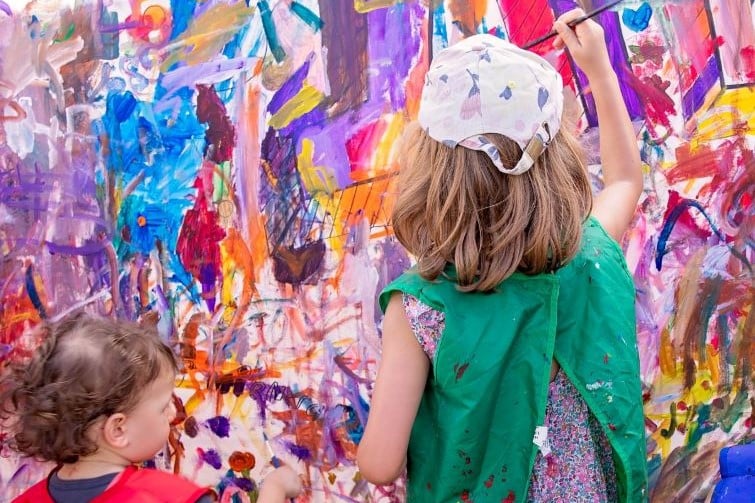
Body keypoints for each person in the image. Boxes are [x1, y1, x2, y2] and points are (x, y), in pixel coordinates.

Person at [357, 8, 647, 503]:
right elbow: (624, 179)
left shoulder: (421, 307)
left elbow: (380, 463)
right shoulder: (593, 255)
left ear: (431, 169)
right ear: (558, 158)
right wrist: (598, 69)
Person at [0, 312, 302, 503]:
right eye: (161, 408)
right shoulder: (167, 497)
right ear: (118, 429)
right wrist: (274, 487)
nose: (173, 414)